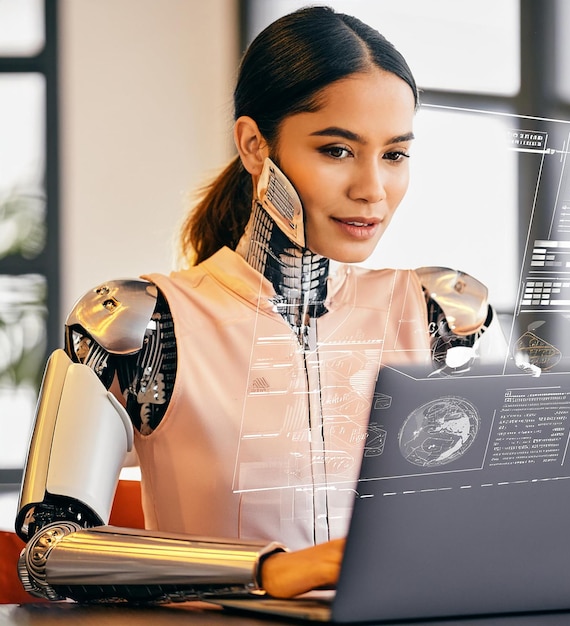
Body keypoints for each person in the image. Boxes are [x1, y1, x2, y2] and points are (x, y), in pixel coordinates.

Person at [15, 5, 507, 603]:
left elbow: (513, 512)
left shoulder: (447, 318)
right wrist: (270, 572)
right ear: (254, 145)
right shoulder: (138, 322)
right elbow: (48, 552)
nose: (372, 189)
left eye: (395, 155)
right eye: (337, 150)